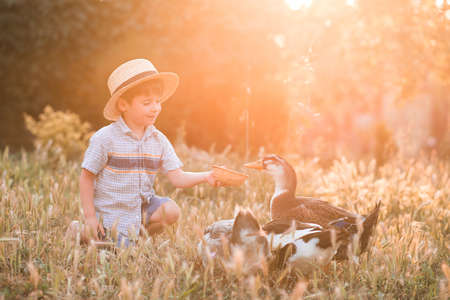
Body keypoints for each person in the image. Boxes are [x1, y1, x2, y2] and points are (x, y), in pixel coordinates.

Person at [69, 58, 220, 247]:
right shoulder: (106, 138)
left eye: (158, 101)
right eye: (147, 103)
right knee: (110, 247)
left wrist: (207, 176)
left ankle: (135, 236)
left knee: (171, 211)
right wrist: (90, 217)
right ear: (123, 105)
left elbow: (178, 178)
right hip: (111, 211)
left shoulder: (158, 140)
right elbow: (87, 177)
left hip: (141, 208)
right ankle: (81, 231)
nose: (156, 108)